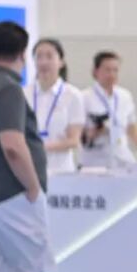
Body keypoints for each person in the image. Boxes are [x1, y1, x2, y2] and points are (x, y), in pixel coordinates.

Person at [0, 22, 64, 272]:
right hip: (12, 196)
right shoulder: (8, 88)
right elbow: (12, 144)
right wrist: (33, 187)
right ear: (23, 55)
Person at [26, 38, 85, 174]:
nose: (43, 62)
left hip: (61, 170)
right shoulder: (24, 93)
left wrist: (40, 147)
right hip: (29, 170)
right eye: (39, 57)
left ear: (61, 62)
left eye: (49, 56)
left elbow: (74, 140)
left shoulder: (73, 95)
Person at [80, 51, 137, 168]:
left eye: (115, 70)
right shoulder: (84, 97)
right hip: (95, 160)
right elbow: (78, 133)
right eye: (107, 70)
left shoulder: (125, 96)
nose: (112, 74)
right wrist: (96, 131)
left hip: (122, 158)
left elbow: (132, 128)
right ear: (95, 71)